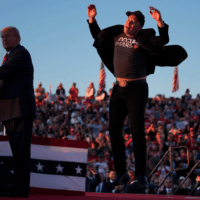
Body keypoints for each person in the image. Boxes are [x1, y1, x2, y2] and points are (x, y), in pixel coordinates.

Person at [87, 4, 187, 190]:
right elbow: (98, 36)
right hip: (118, 89)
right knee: (114, 130)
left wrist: (159, 21)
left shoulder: (144, 38)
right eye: (128, 20)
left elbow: (163, 40)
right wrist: (92, 19)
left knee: (137, 132)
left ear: (139, 26)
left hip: (137, 89)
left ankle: (141, 175)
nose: (128, 23)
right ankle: (121, 172)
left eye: (133, 22)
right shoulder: (117, 35)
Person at [0, 26, 36, 197]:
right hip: (11, 110)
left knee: (21, 152)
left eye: (7, 36)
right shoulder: (9, 56)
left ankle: (21, 191)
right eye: (1, 37)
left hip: (19, 110)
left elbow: (3, 73)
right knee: (17, 152)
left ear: (17, 38)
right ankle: (17, 187)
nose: (3, 39)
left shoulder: (20, 54)